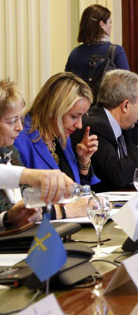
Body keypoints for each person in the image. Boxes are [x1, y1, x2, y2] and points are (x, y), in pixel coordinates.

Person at [0, 78, 83, 229]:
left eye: (20, 119)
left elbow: (23, 203)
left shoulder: (9, 150)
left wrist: (10, 218)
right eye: (12, 121)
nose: (19, 127)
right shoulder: (21, 141)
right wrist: (65, 211)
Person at [71, 70, 138, 192]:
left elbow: (136, 162)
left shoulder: (126, 127)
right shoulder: (95, 126)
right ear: (125, 105)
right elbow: (119, 175)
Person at [14, 73, 100, 186]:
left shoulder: (61, 137)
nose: (79, 125)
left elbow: (78, 189)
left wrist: (83, 161)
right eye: (74, 116)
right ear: (53, 109)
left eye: (82, 116)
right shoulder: (17, 138)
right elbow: (16, 193)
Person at [65, 4, 130, 88]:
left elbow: (66, 84)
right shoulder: (116, 51)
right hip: (107, 97)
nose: (111, 26)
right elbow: (128, 85)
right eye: (110, 22)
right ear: (102, 24)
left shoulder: (75, 53)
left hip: (81, 96)